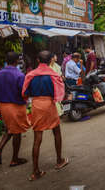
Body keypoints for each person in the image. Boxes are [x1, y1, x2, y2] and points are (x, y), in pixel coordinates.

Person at [22, 50, 69, 181]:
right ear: (51, 61)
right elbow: (60, 94)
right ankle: (59, 160)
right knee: (57, 132)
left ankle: (35, 171)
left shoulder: (30, 75)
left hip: (36, 105)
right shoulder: (54, 75)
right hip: (49, 104)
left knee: (37, 138)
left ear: (37, 60)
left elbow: (24, 92)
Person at [0, 52, 30, 167]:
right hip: (15, 106)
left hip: (3, 106)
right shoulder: (19, 75)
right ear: (17, 61)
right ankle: (14, 159)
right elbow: (24, 93)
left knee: (10, 129)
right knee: (16, 131)